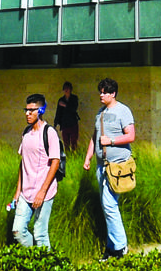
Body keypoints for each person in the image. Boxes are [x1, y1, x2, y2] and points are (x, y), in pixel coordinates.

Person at [82, 77, 134, 259]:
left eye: (104, 92)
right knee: (107, 206)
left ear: (113, 94)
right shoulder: (100, 113)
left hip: (117, 166)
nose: (101, 95)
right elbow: (94, 136)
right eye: (100, 92)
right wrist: (88, 156)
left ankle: (119, 247)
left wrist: (111, 141)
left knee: (110, 205)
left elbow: (131, 136)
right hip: (101, 165)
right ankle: (112, 247)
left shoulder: (123, 111)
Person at [11, 94, 62, 248]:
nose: (27, 113)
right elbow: (23, 163)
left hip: (44, 193)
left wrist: (42, 191)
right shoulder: (26, 133)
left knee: (40, 233)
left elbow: (55, 161)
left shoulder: (49, 132)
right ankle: (34, 259)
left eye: (31, 110)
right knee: (17, 231)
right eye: (26, 110)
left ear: (40, 110)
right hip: (25, 194)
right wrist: (17, 191)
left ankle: (46, 266)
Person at [57, 81, 81, 153]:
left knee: (74, 142)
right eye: (65, 89)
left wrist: (65, 105)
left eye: (67, 89)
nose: (66, 91)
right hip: (65, 124)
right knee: (66, 143)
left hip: (73, 123)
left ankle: (74, 156)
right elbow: (58, 112)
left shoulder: (74, 98)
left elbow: (73, 109)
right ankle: (67, 156)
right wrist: (57, 122)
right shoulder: (61, 99)